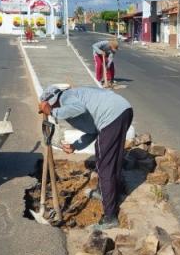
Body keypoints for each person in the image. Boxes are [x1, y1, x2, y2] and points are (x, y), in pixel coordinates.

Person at [38, 85, 133, 230]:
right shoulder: (73, 100)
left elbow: (78, 108)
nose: (50, 113)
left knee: (105, 165)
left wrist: (52, 112)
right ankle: (107, 192)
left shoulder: (66, 97)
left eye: (49, 107)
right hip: (122, 111)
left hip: (113, 116)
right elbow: (93, 131)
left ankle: (110, 217)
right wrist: (76, 145)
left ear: (53, 101)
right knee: (110, 157)